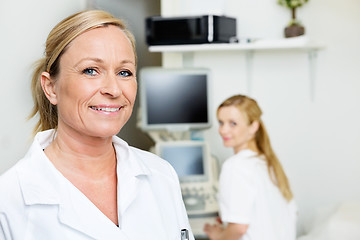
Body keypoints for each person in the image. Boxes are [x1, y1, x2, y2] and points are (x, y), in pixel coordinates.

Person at [0, 10, 194, 240]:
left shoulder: (161, 175)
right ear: (51, 87)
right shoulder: (10, 199)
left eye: (124, 72)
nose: (113, 89)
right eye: (91, 71)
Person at [204, 95, 297, 240]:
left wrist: (218, 236)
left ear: (253, 126)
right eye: (221, 123)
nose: (223, 130)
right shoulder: (269, 164)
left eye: (233, 123)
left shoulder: (235, 166)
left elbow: (239, 229)